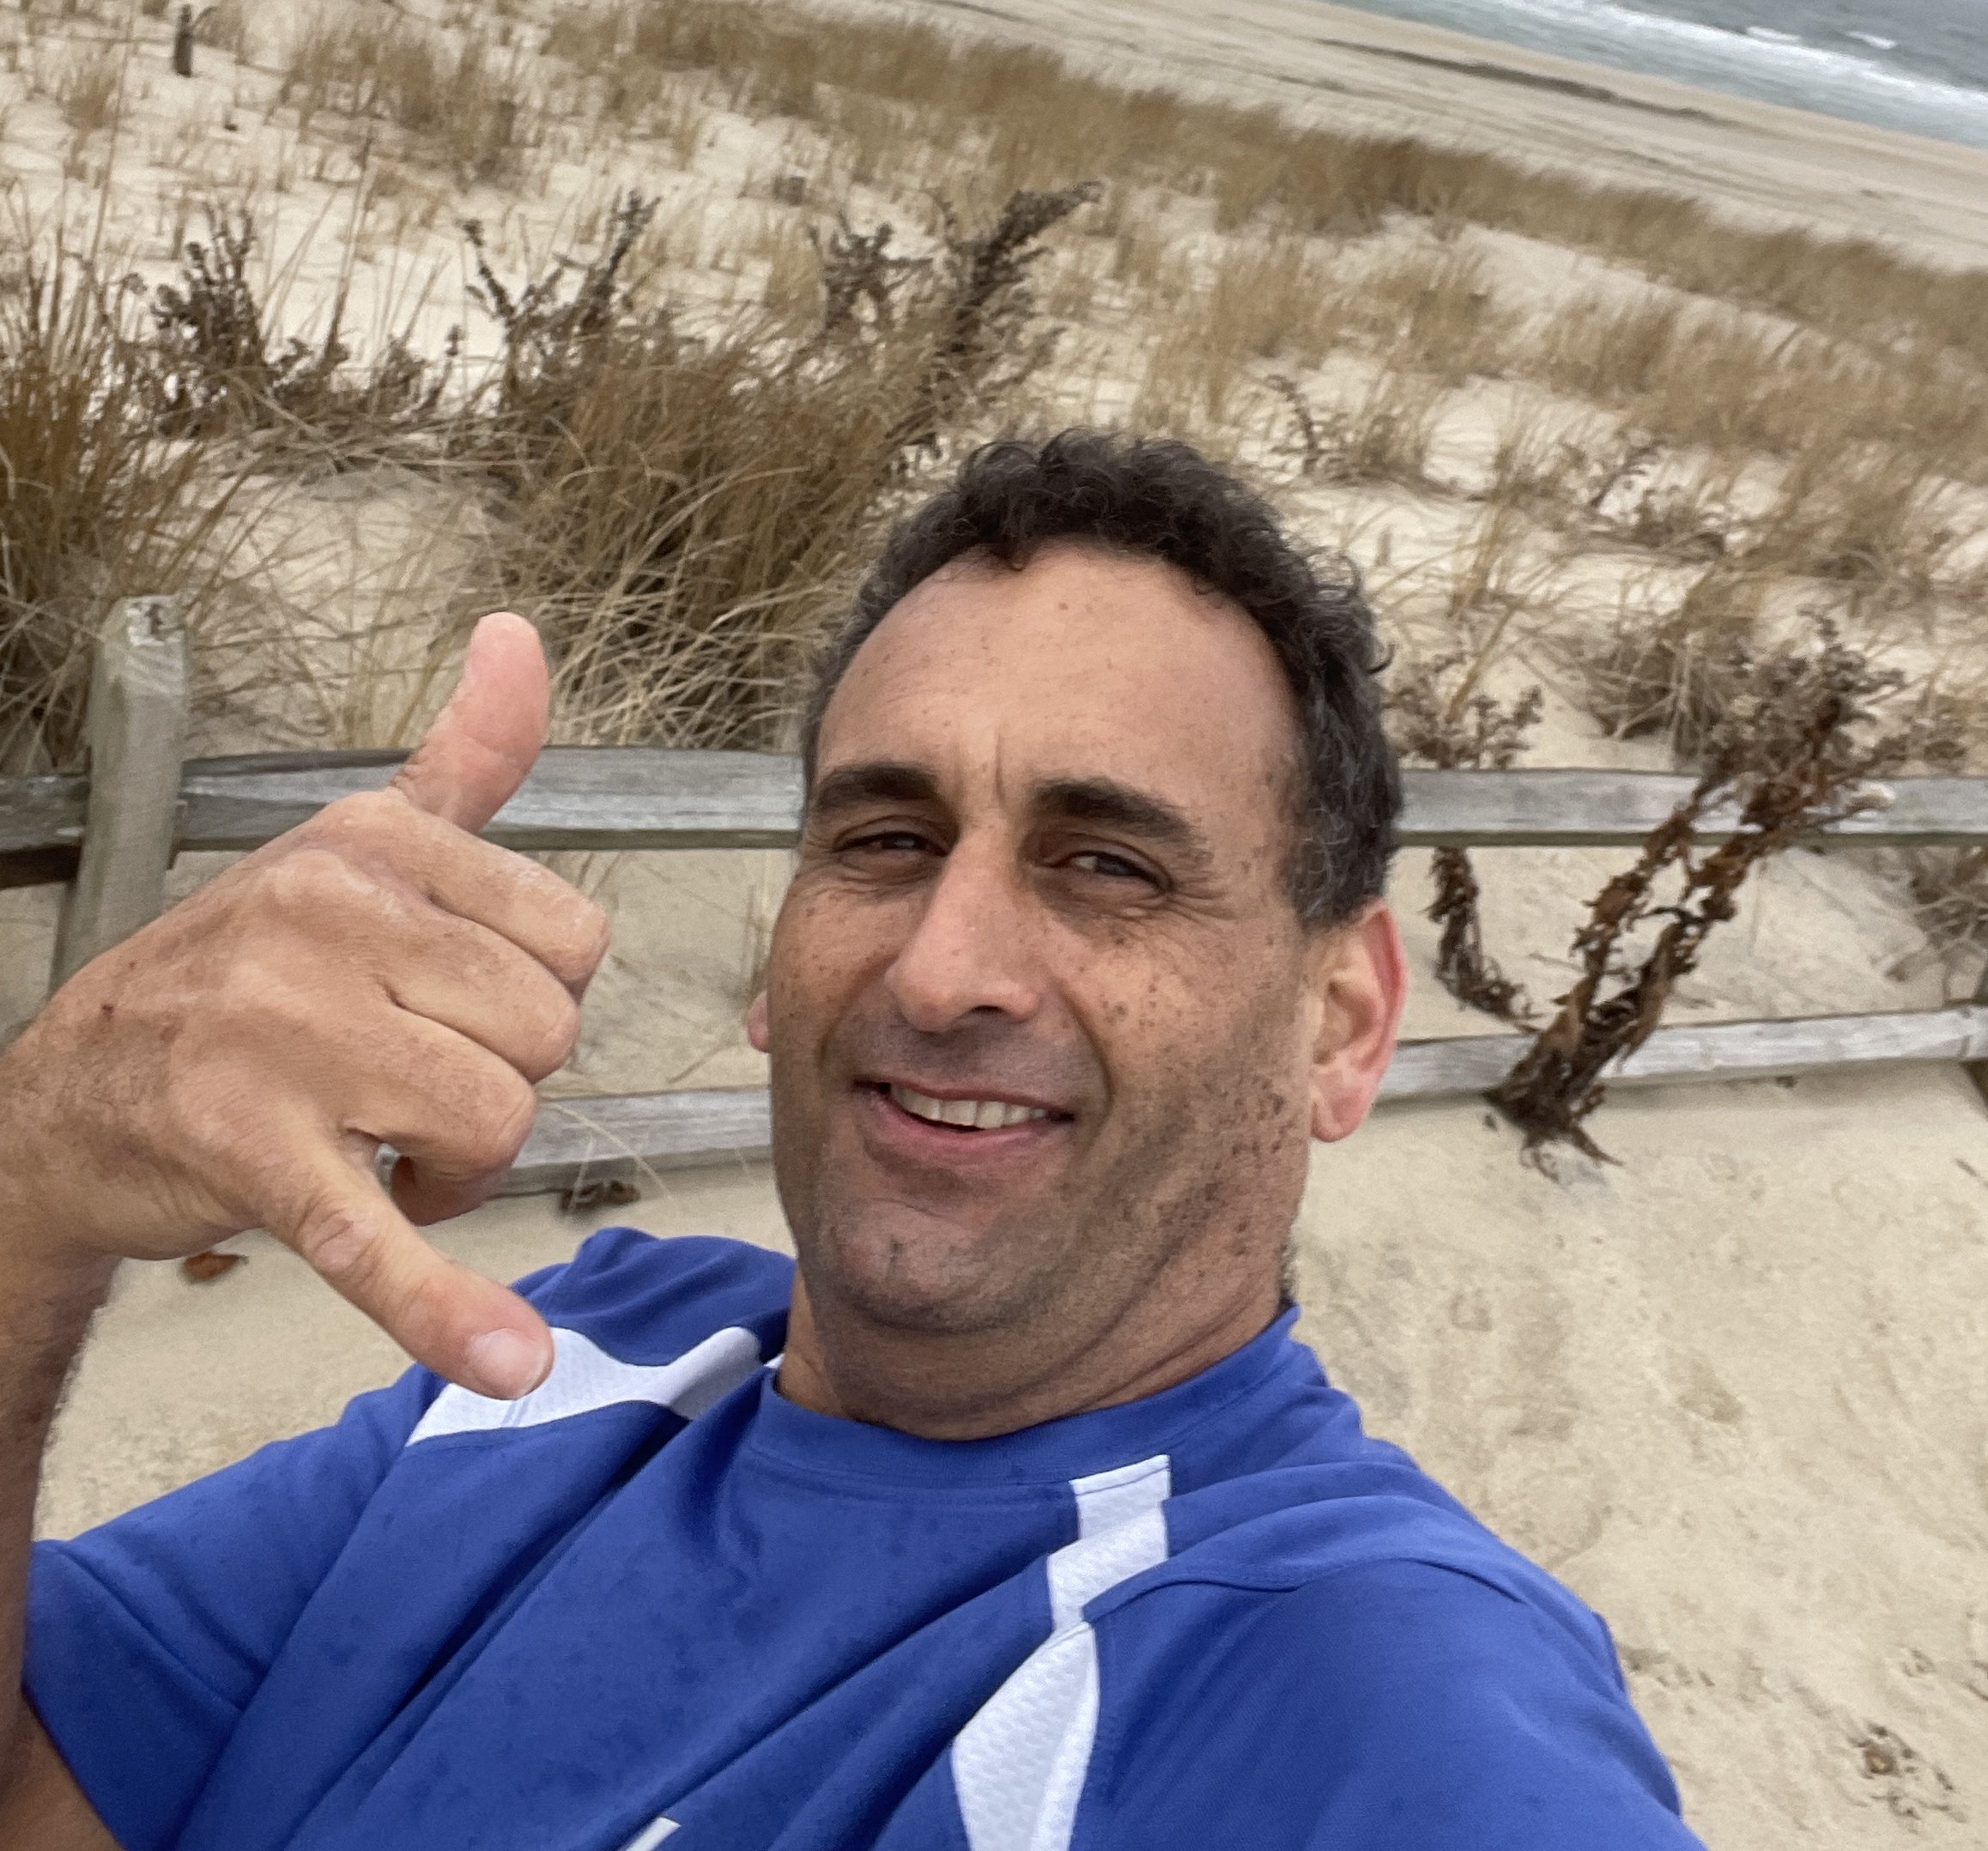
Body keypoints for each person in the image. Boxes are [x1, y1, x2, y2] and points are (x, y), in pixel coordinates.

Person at [0, 435, 1701, 1850]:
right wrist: (30, 1193)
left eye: (1108, 863)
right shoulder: (578, 1352)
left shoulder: (1351, 1674)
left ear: (1340, 1021)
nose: (943, 969)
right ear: (777, 955)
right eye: (886, 838)